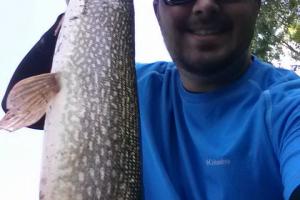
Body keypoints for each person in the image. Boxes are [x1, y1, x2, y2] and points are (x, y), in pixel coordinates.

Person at [2, 0, 300, 199]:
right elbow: (19, 104)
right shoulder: (128, 87)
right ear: (157, 11)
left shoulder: (290, 107)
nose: (206, 4)